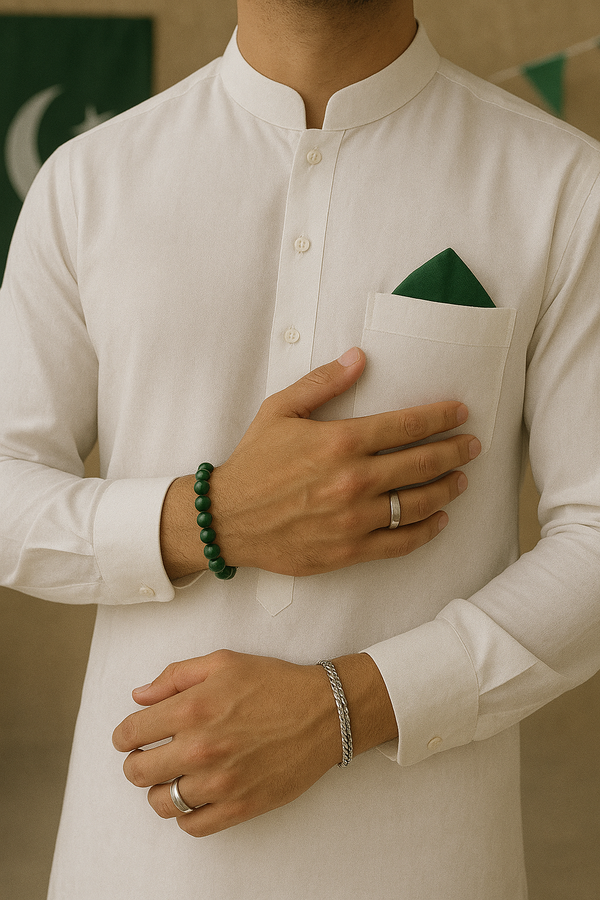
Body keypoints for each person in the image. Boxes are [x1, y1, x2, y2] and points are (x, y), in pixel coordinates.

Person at [1, 0, 600, 897]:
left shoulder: (560, 183)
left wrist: (345, 706)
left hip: (429, 864)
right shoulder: (90, 180)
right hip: (132, 863)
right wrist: (206, 519)